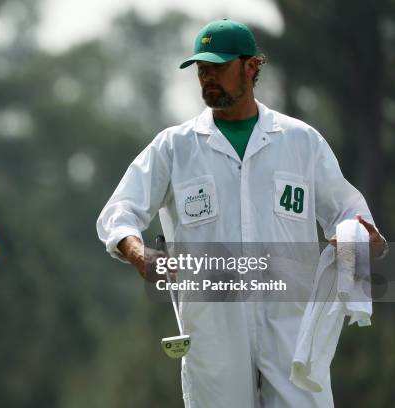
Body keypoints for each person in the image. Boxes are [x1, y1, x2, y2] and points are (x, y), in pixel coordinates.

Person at [96, 19, 387, 407]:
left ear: (251, 67)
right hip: (213, 332)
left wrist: (364, 244)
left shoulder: (300, 141)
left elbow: (350, 216)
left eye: (218, 68)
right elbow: (119, 212)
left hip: (291, 325)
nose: (208, 79)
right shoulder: (174, 147)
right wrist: (139, 254)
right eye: (202, 71)